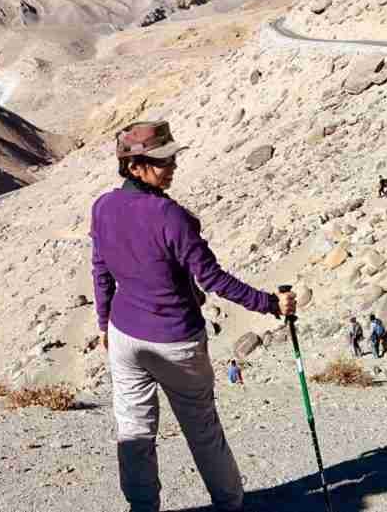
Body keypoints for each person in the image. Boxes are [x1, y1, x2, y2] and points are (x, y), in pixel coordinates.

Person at [92, 120, 296, 512]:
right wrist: (270, 304)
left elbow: (100, 270)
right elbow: (214, 279)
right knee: (203, 431)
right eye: (160, 161)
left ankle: (142, 508)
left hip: (124, 335)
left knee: (134, 431)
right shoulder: (172, 217)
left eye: (171, 158)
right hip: (175, 340)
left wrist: (104, 323)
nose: (171, 166)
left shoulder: (103, 207)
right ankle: (230, 505)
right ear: (134, 166)